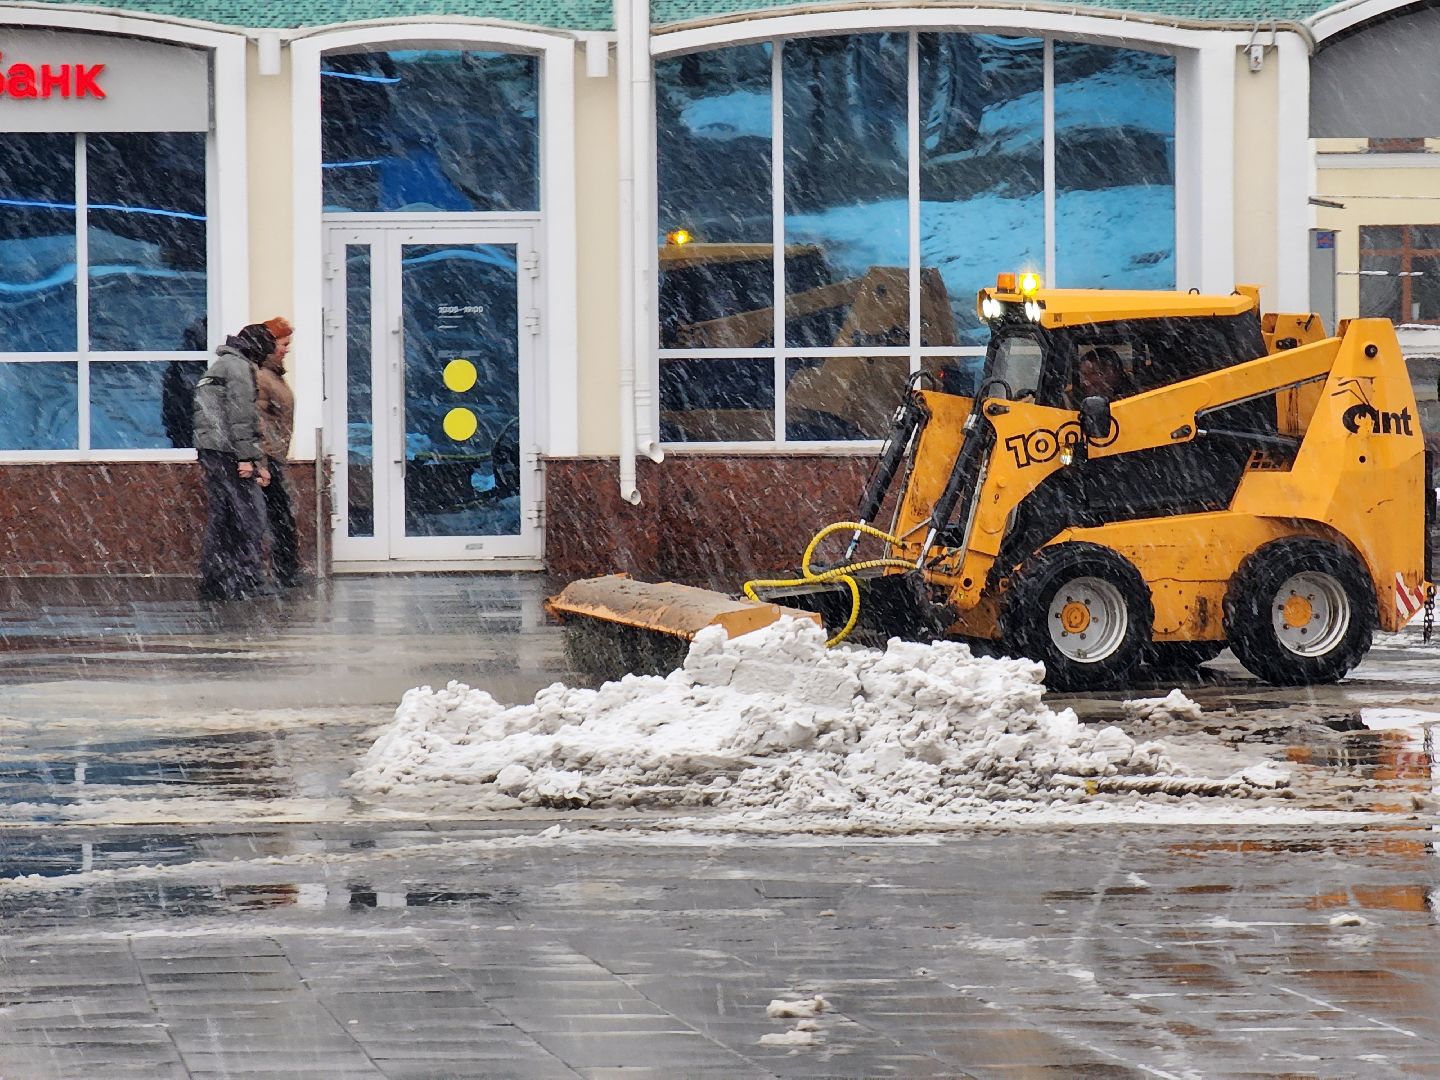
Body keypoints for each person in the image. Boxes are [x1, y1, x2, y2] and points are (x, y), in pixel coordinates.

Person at [191, 323, 275, 600]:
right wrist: (248, 458)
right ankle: (247, 578)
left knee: (223, 517)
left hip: (212, 450)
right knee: (251, 516)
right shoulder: (239, 368)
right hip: (228, 452)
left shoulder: (221, 364)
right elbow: (241, 416)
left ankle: (215, 580)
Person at [257, 316, 303, 588]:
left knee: (280, 517)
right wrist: (263, 460)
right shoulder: (262, 377)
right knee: (277, 517)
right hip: (268, 458)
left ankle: (286, 571)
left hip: (274, 456)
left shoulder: (273, 375)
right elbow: (257, 421)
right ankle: (283, 572)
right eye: (283, 344)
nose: (287, 349)